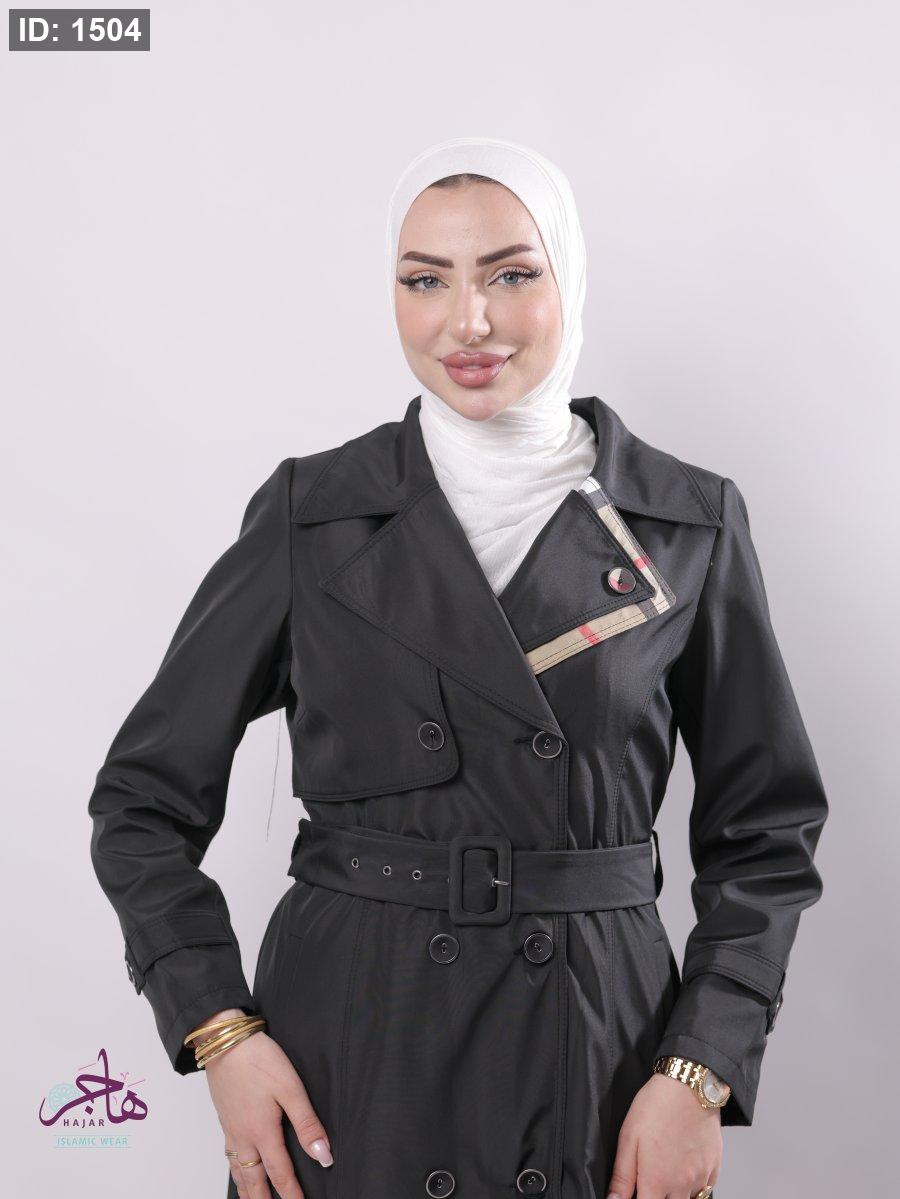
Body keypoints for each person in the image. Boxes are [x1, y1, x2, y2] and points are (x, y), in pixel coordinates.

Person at [87, 136, 829, 1199]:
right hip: (356, 1044)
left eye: (511, 274)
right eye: (425, 280)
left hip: (599, 1049)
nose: (466, 321)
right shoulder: (314, 513)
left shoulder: (684, 524)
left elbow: (766, 832)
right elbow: (141, 803)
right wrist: (219, 1030)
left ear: (570, 279)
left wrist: (701, 1067)